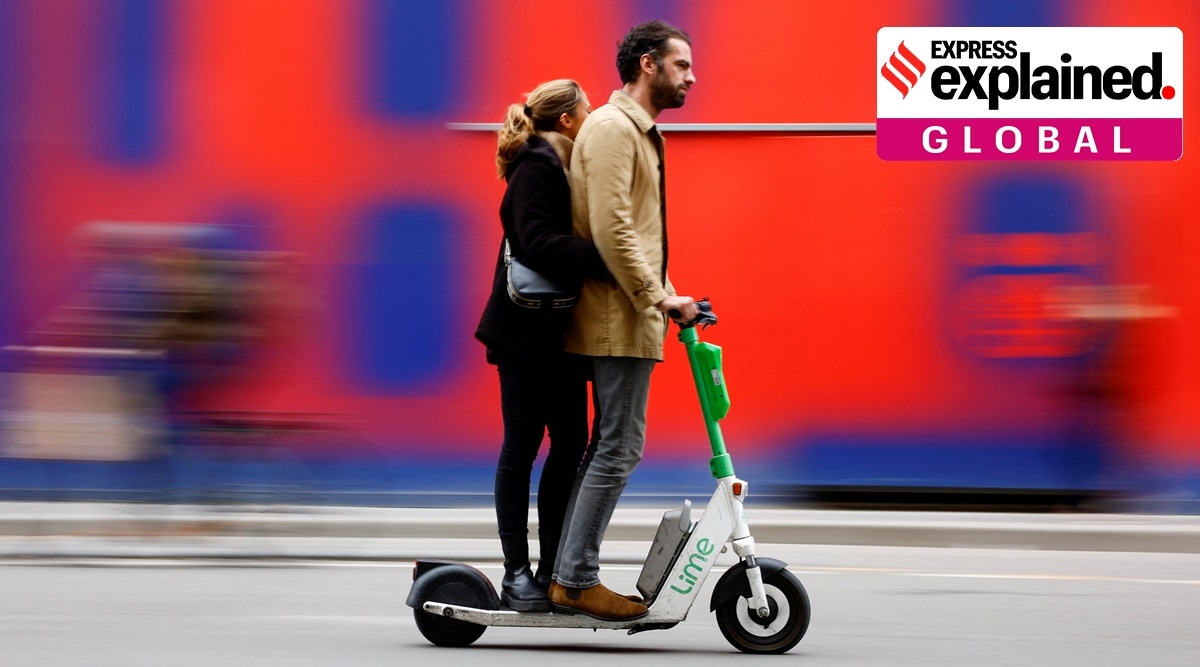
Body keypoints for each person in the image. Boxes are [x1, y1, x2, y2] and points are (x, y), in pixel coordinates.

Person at [548, 20, 700, 621]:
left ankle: (569, 573)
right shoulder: (615, 129)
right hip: (617, 315)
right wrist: (656, 297)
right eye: (681, 65)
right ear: (647, 65)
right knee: (618, 447)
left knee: (610, 446)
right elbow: (611, 228)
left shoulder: (639, 132)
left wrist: (668, 292)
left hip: (630, 307)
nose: (692, 76)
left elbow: (636, 235)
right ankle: (576, 579)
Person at [474, 79, 609, 612]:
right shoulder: (535, 166)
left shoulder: (564, 167)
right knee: (522, 446)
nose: (595, 118)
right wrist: (603, 258)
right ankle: (516, 572)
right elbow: (535, 242)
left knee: (571, 441)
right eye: (588, 111)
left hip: (555, 332)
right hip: (524, 334)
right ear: (568, 121)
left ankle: (554, 566)